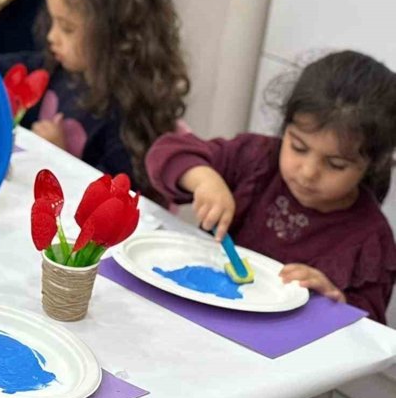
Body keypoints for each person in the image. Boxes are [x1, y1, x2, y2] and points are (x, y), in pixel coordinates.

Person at [147, 50, 396, 325]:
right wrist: (204, 179)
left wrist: (334, 301)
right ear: (285, 127)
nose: (309, 172)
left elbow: (371, 334)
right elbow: (166, 152)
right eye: (298, 147)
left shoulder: (372, 239)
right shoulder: (255, 158)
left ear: (371, 164)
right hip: (195, 314)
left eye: (336, 164)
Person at [0, 0, 189, 205]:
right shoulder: (58, 66)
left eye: (67, 28)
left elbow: (121, 205)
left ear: (115, 34)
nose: (52, 36)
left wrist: (61, 158)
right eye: (53, 21)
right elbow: (0, 72)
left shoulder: (127, 116)